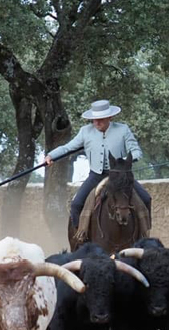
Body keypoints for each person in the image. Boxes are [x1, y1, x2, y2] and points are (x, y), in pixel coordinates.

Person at [44, 99, 152, 232]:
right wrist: (50, 156)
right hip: (96, 175)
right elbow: (67, 148)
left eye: (100, 119)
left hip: (120, 176)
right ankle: (79, 238)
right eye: (94, 119)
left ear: (110, 117)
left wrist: (123, 162)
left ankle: (145, 233)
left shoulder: (123, 130)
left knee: (146, 199)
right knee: (76, 205)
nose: (96, 122)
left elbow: (136, 152)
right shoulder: (85, 131)